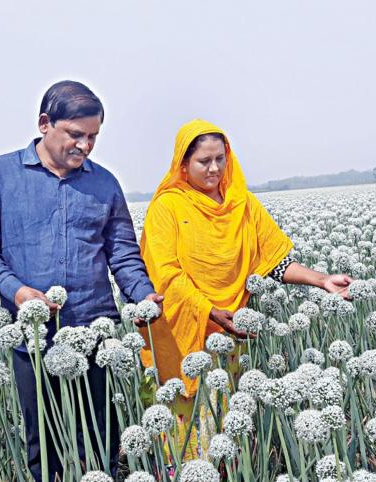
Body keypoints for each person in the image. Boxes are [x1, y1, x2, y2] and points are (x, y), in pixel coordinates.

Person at [0, 80, 162, 481]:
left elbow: (121, 251)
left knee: (101, 441)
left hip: (95, 330)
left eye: (93, 137)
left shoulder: (104, 183)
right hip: (33, 337)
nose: (85, 146)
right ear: (44, 124)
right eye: (76, 134)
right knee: (45, 444)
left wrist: (143, 296)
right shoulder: (0, 175)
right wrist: (16, 290)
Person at [137, 119, 352, 458]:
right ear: (183, 163)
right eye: (203, 161)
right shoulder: (167, 207)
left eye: (220, 159)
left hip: (232, 333)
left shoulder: (243, 204)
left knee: (225, 431)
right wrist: (208, 311)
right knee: (187, 436)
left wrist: (322, 280)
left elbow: (273, 263)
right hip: (183, 336)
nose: (214, 168)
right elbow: (166, 274)